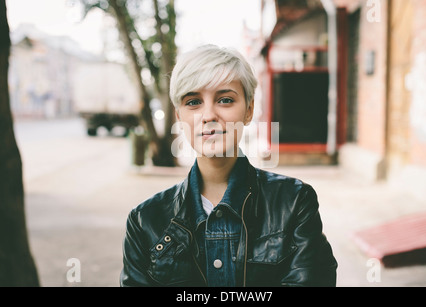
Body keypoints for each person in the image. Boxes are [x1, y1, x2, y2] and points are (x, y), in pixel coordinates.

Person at [120, 44, 337, 287]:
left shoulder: (294, 202)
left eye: (225, 99)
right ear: (179, 116)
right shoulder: (145, 221)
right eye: (193, 102)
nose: (209, 115)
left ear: (249, 110)